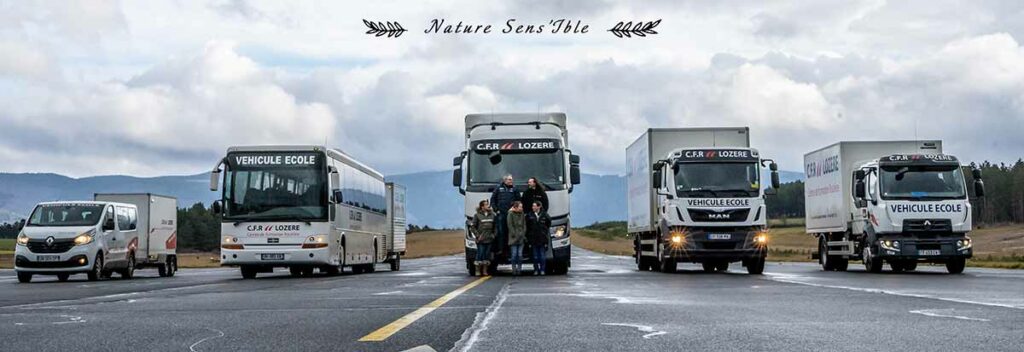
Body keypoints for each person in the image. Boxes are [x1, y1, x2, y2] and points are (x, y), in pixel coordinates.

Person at [489, 174, 520, 256]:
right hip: (501, 214)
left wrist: (515, 209)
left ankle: (510, 249)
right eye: (509, 179)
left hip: (512, 214)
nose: (511, 181)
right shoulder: (498, 188)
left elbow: (518, 200)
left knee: (511, 231)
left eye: (511, 179)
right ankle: (501, 249)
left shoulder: (515, 189)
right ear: (505, 180)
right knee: (501, 232)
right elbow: (492, 200)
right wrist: (496, 210)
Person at [471, 199, 496, 276]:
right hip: (481, 239)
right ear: (482, 207)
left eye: (488, 204)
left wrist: (493, 235)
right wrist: (478, 236)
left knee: (486, 255)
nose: (488, 206)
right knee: (480, 254)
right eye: (486, 205)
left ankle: (485, 270)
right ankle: (478, 270)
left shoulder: (492, 215)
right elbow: (473, 227)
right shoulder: (477, 215)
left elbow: (495, 227)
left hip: (489, 239)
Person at [526, 200, 551, 276]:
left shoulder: (545, 215)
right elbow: (527, 226)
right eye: (532, 206)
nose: (533, 207)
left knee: (542, 256)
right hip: (533, 239)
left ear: (539, 206)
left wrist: (544, 231)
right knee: (535, 256)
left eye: (534, 206)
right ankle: (536, 269)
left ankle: (542, 270)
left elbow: (548, 224)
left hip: (542, 238)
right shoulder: (530, 215)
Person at [506, 201, 527, 276]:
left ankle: (519, 269)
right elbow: (510, 225)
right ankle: (514, 269)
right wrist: (514, 234)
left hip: (521, 237)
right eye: (520, 207)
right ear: (516, 207)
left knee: (520, 254)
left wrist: (523, 232)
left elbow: (524, 224)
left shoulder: (522, 214)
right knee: (514, 254)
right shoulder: (510, 214)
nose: (521, 208)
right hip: (513, 238)